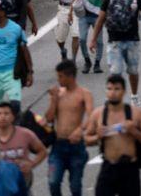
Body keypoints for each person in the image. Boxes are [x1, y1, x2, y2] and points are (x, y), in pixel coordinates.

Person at [89, 0, 141, 107]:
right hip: (114, 42)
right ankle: (116, 99)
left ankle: (134, 96)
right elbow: (100, 20)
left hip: (132, 40)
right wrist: (93, 39)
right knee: (115, 73)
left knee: (133, 71)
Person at [84, 73, 141, 196]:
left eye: (117, 89)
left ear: (124, 91)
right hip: (108, 166)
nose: (112, 92)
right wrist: (98, 137)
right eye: (109, 89)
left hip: (129, 169)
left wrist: (135, 132)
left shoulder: (136, 114)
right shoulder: (98, 114)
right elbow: (86, 139)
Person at [45, 59, 93, 196]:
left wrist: (80, 130)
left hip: (76, 146)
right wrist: (54, 100)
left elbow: (91, 117)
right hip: (58, 145)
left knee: (75, 186)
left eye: (60, 76)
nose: (58, 79)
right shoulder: (58, 94)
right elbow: (48, 119)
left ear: (70, 76)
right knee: (53, 182)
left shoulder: (84, 94)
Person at [0, 102, 47, 196]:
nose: (3, 117)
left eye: (6, 113)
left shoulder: (25, 135)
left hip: (21, 185)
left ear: (13, 117)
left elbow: (42, 151)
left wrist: (32, 164)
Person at [0, 0, 32, 117]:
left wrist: (30, 71)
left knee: (15, 105)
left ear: (3, 12)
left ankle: (15, 129)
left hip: (12, 73)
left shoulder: (16, 29)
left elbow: (25, 51)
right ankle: (0, 132)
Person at [74, 0, 108, 75]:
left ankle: (97, 63)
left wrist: (105, 16)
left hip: (97, 15)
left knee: (99, 41)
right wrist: (69, 11)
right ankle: (87, 61)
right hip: (84, 14)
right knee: (82, 39)